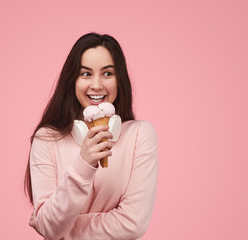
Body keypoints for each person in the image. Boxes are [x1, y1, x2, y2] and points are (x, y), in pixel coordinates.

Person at [24, 32, 158, 240]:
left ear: (119, 80)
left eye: (107, 74)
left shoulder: (140, 135)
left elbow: (134, 224)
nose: (96, 85)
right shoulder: (46, 139)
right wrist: (84, 163)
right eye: (86, 74)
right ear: (72, 80)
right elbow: (49, 227)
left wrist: (62, 232)